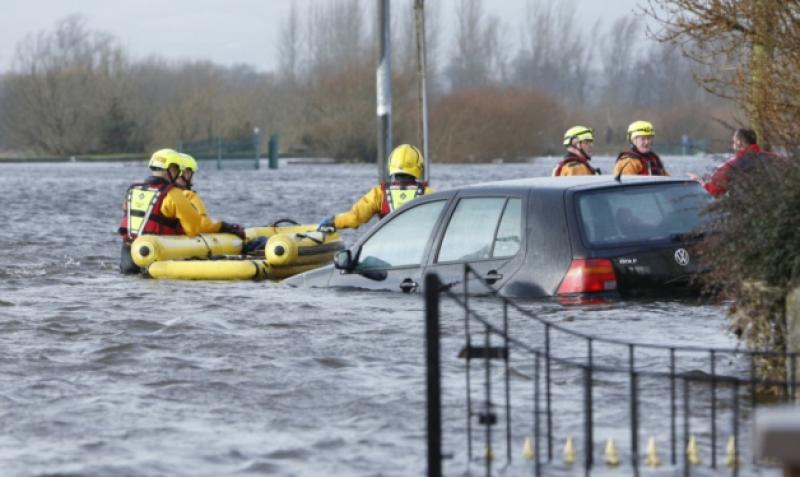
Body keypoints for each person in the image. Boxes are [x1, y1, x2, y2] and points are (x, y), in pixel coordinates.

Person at [117, 149, 243, 274]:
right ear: (172, 169)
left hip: (130, 253)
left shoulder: (132, 190)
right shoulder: (173, 194)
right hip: (160, 252)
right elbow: (195, 228)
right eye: (177, 170)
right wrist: (225, 227)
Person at [318, 144, 433, 231]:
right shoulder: (428, 193)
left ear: (391, 165)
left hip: (388, 252)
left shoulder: (379, 193)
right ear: (419, 167)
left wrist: (335, 221)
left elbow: (355, 217)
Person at [690, 128, 778, 197]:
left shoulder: (730, 167)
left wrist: (700, 180)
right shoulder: (776, 158)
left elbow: (714, 191)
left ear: (739, 143)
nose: (733, 146)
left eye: (733, 142)